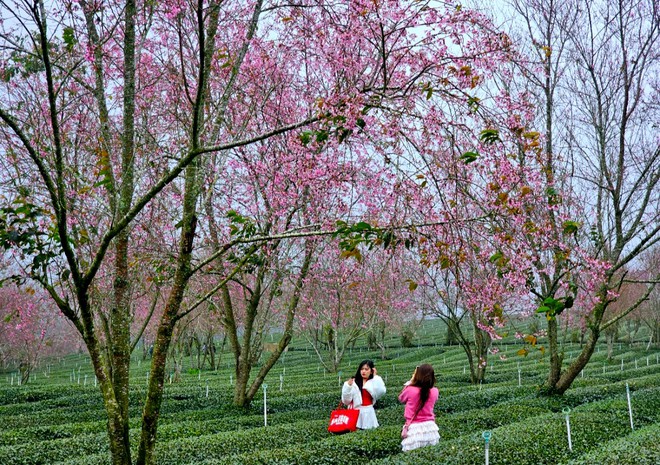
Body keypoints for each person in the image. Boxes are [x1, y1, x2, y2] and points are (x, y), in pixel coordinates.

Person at [398, 364, 440, 451]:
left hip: (414, 429)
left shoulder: (410, 390)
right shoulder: (435, 391)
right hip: (431, 428)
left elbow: (401, 398)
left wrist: (411, 382)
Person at [341, 359, 386, 429]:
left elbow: (381, 391)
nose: (363, 371)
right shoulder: (354, 382)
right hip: (354, 412)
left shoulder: (373, 382)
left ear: (371, 371)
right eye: (362, 369)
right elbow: (346, 401)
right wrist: (348, 387)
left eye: (366, 369)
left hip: (368, 412)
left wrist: (376, 376)